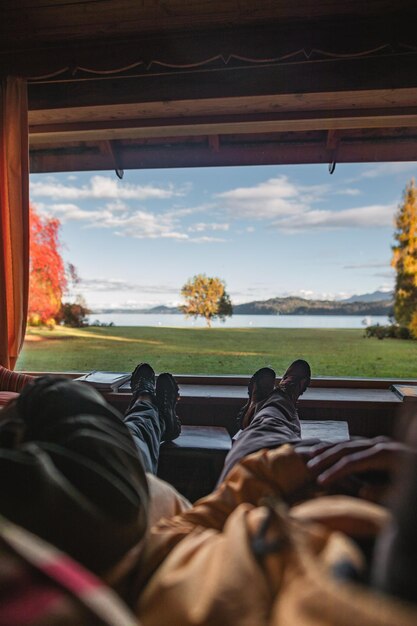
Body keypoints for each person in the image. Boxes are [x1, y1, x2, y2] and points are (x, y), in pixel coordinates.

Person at [1, 363, 417, 626]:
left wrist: (278, 472)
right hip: (275, 507)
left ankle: (157, 407)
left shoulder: (229, 595)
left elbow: (187, 532)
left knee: (259, 441)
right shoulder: (367, 558)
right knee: (267, 432)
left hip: (172, 522)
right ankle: (277, 401)